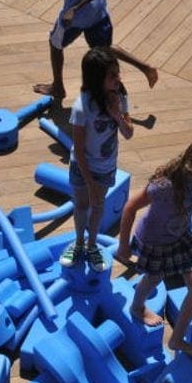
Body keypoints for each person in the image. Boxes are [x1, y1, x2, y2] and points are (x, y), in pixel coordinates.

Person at [116, 138, 192, 363]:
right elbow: (129, 208)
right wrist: (124, 246)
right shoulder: (164, 186)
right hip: (155, 241)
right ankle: (137, 307)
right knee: (153, 278)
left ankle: (176, 339)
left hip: (180, 236)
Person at [59, 47, 134, 272]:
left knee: (98, 206)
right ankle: (79, 243)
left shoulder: (120, 96)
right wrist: (90, 183)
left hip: (105, 166)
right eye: (112, 75)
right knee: (81, 205)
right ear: (96, 78)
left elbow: (129, 133)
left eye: (117, 73)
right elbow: (79, 150)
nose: (118, 78)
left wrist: (117, 115)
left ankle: (92, 245)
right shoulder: (82, 106)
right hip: (82, 166)